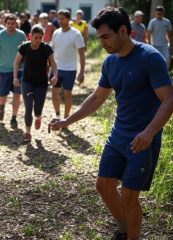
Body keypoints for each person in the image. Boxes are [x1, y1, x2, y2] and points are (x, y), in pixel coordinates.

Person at [50, 6, 173, 240]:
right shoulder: (110, 62)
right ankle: (124, 229)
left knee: (129, 196)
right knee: (104, 186)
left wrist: (148, 133)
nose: (102, 43)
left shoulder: (150, 58)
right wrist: (67, 121)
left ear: (124, 31)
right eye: (99, 38)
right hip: (117, 136)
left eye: (106, 37)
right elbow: (97, 97)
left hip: (142, 140)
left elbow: (169, 99)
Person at [13, 24, 58, 142]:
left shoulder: (46, 48)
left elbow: (53, 63)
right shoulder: (24, 47)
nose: (38, 40)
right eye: (35, 37)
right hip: (27, 81)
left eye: (40, 38)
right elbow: (16, 62)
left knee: (38, 108)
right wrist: (15, 77)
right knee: (28, 107)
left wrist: (55, 76)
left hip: (41, 83)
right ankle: (27, 133)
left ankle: (38, 117)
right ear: (30, 37)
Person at [0, 13, 26, 128]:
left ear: (16, 24)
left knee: (17, 94)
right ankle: (2, 107)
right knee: (2, 95)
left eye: (13, 23)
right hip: (3, 70)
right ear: (4, 23)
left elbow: (26, 52)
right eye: (8, 23)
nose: (10, 25)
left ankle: (14, 117)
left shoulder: (21, 35)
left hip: (19, 70)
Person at [50, 9, 85, 119]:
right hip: (56, 69)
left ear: (69, 19)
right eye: (59, 19)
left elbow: (81, 54)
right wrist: (48, 67)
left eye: (63, 19)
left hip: (70, 69)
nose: (60, 21)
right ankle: (57, 115)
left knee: (67, 94)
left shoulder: (76, 34)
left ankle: (66, 118)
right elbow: (51, 51)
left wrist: (81, 72)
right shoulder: (56, 33)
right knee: (54, 93)